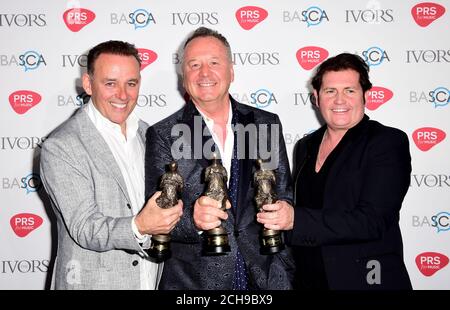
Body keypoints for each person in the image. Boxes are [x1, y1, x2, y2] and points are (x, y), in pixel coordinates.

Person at [145, 27, 295, 290]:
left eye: (214, 63)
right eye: (194, 65)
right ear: (183, 77)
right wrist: (194, 221)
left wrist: (285, 211)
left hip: (266, 278)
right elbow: (157, 217)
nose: (204, 73)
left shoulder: (264, 124)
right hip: (195, 284)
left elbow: (283, 193)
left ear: (231, 71)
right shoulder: (163, 134)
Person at [259, 52, 412, 289]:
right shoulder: (305, 146)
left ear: (366, 96)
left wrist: (295, 219)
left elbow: (372, 220)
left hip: (366, 280)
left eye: (349, 90)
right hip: (310, 281)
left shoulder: (386, 142)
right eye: (330, 91)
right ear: (316, 98)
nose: (339, 100)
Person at [40, 40, 183, 289]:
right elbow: (85, 227)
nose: (122, 95)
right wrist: (139, 226)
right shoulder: (62, 145)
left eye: (131, 83)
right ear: (87, 84)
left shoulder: (149, 135)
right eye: (110, 83)